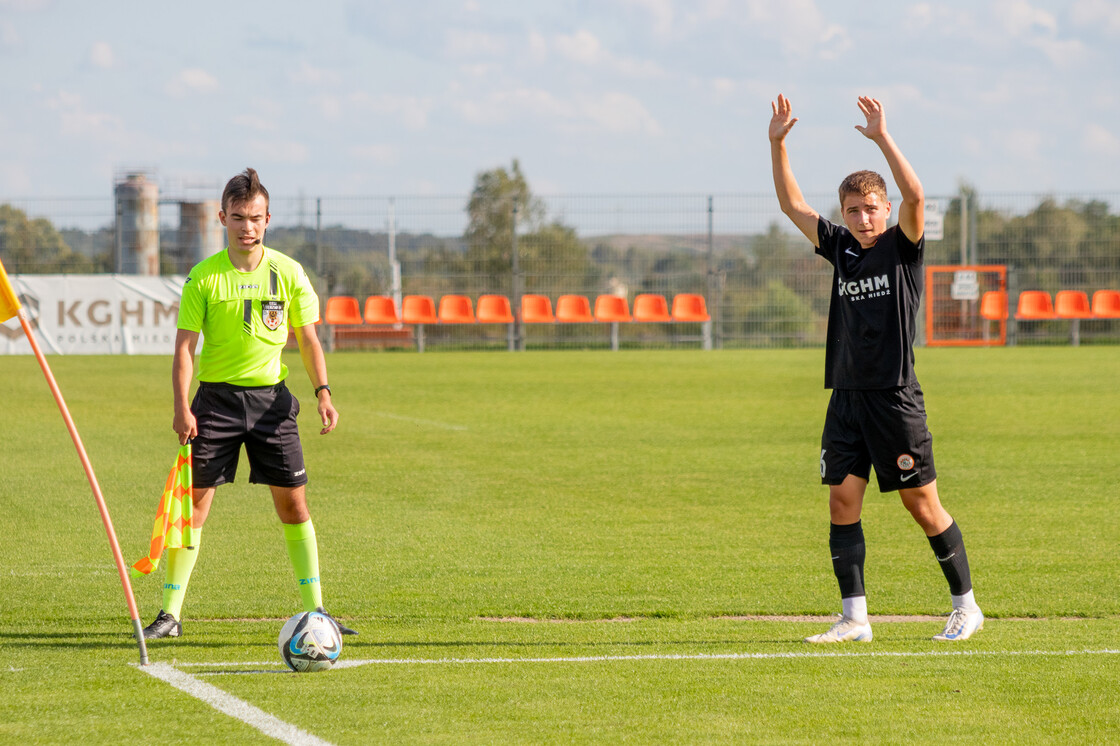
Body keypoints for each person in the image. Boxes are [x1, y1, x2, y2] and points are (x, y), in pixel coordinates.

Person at [768, 94, 983, 642]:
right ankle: (855, 618)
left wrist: (883, 137)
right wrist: (777, 143)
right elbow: (793, 206)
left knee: (921, 503)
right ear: (844, 214)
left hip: (894, 396)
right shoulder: (840, 248)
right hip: (846, 395)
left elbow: (917, 194)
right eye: (853, 210)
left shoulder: (902, 248)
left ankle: (966, 605)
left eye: (871, 209)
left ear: (885, 211)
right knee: (842, 498)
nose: (863, 219)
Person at [143, 167, 357, 639]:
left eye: (255, 218)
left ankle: (317, 609)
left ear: (268, 218)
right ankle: (170, 614)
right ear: (222, 217)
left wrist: (323, 391)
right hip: (214, 404)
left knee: (294, 506)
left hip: (272, 405)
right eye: (238, 217)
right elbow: (184, 348)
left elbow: (308, 339)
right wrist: (182, 406)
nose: (247, 227)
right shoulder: (204, 277)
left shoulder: (288, 272)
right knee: (194, 505)